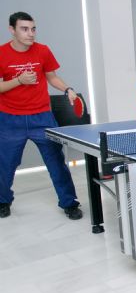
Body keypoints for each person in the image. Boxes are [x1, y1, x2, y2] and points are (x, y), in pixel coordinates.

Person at [0, 12, 82, 220]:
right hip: (10, 118)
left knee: (56, 163)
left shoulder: (43, 51)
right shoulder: (1, 53)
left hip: (42, 117)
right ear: (12, 30)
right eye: (24, 29)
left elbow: (52, 77)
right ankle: (3, 201)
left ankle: (69, 203)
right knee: (6, 165)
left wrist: (68, 89)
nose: (30, 33)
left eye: (33, 29)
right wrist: (19, 81)